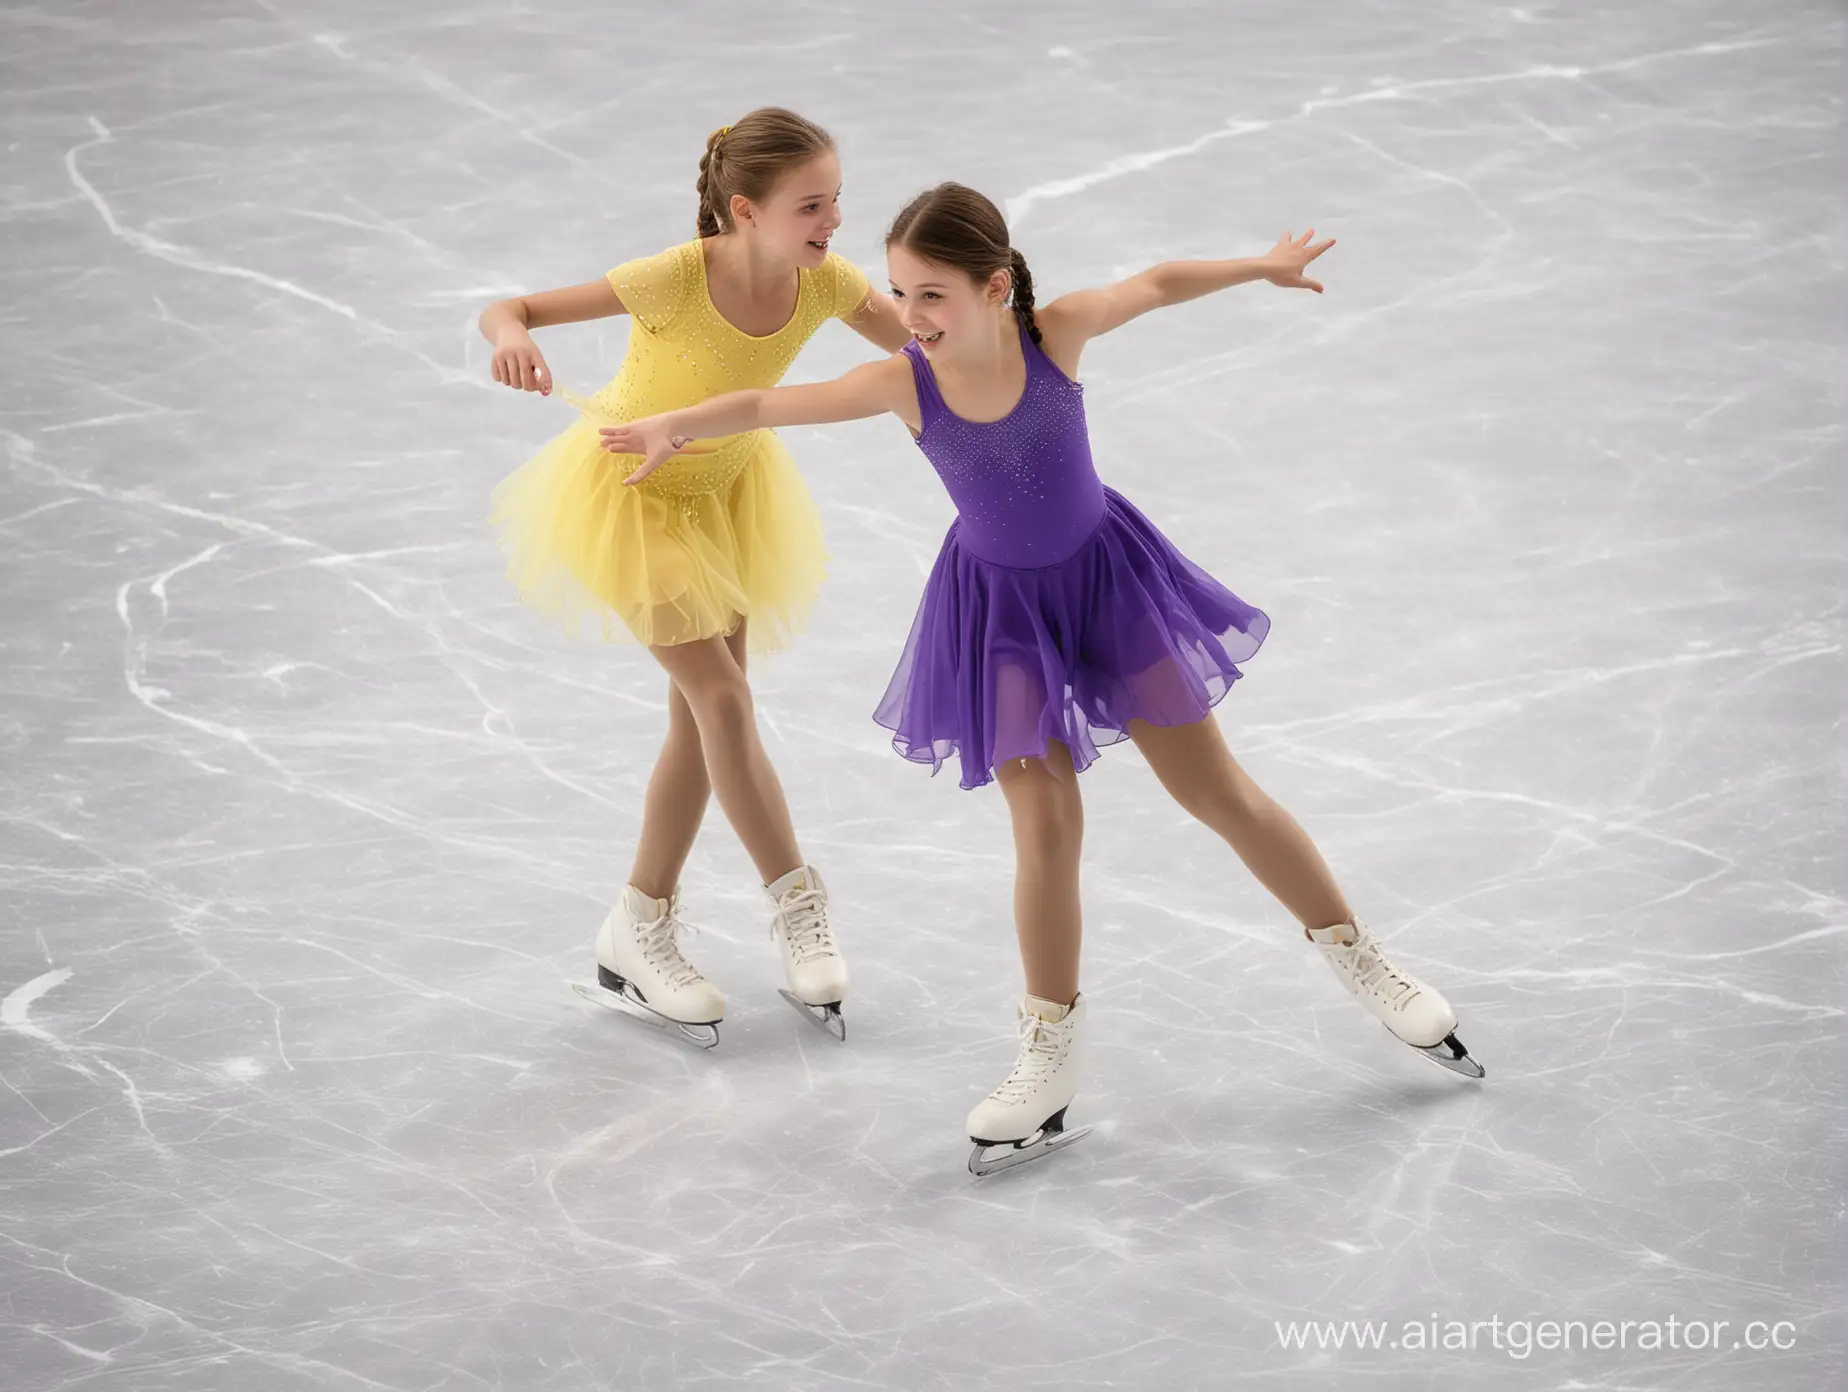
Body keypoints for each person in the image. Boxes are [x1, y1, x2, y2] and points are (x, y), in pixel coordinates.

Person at [599, 182, 1483, 1165]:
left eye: (931, 295)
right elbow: (773, 401)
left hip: (1110, 586)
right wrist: (676, 423)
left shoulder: (1054, 336)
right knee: (1046, 822)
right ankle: (1048, 1048)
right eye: (898, 292)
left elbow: (1152, 283)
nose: (910, 317)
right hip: (1001, 621)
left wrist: (1260, 265)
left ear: (994, 286)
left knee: (1217, 790)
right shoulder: (906, 381)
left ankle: (1362, 959)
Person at [479, 109, 913, 1047]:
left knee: (700, 717)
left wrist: (1015, 348)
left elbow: (922, 345)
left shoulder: (824, 283)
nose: (833, 218)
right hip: (631, 499)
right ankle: (797, 900)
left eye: (837, 198)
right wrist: (509, 337)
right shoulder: (675, 276)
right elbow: (514, 307)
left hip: (726, 497)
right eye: (812, 203)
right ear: (746, 213)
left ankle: (637, 925)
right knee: (721, 703)